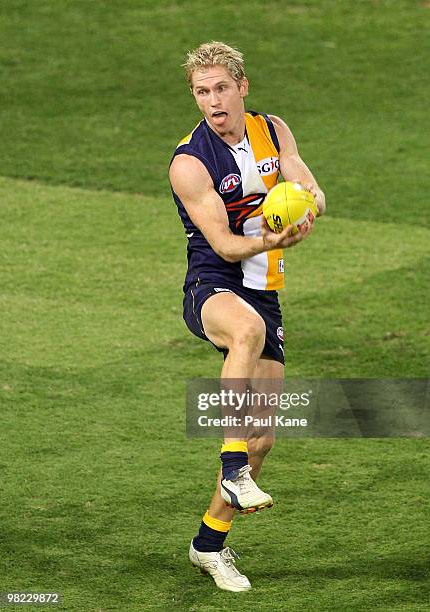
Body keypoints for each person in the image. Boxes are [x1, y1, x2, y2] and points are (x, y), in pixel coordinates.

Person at [169, 41, 326, 592]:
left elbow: (309, 187)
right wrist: (268, 235)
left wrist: (307, 209)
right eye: (201, 91)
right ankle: (230, 463)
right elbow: (223, 243)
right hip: (213, 283)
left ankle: (209, 544)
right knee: (247, 331)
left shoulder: (273, 130)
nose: (212, 101)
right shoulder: (190, 162)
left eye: (220, 89)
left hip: (265, 288)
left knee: (264, 436)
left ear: (242, 87)